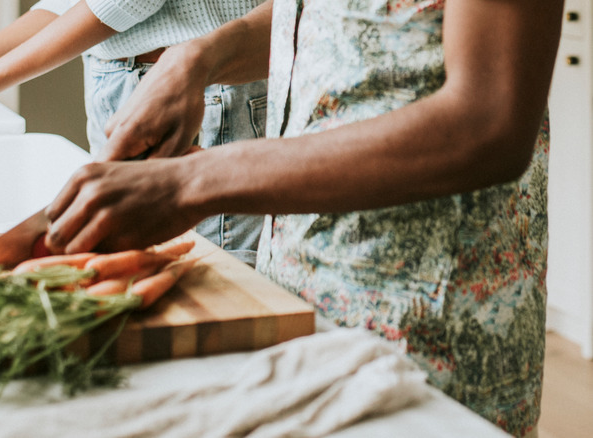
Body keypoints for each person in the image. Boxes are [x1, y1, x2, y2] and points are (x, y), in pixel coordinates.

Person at [42, 0, 563, 436]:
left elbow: (488, 120)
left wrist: (195, 182)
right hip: (299, 303)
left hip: (430, 335)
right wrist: (200, 57)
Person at [0, 0, 267, 266]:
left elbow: (123, 2)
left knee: (213, 282)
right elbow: (71, 3)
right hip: (121, 80)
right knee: (135, 273)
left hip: (204, 91)